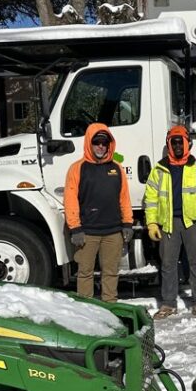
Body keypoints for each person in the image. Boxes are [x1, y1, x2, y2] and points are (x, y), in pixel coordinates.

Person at [143, 125, 196, 319]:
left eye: (180, 142)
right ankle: (168, 304)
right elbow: (150, 199)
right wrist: (151, 223)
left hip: (194, 223)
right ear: (168, 144)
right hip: (169, 223)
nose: (176, 145)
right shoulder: (159, 169)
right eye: (173, 142)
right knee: (167, 264)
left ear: (187, 144)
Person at [63, 123, 133, 302]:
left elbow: (124, 198)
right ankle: (87, 313)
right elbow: (70, 200)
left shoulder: (116, 168)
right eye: (96, 142)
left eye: (104, 142)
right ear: (89, 143)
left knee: (110, 273)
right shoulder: (77, 168)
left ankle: (110, 308)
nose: (101, 146)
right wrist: (75, 228)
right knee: (85, 273)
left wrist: (127, 224)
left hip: (113, 232)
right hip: (87, 233)